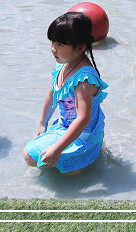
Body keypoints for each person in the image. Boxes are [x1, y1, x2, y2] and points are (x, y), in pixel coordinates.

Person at [24, 12, 107, 175]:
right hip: (65, 126)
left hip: (84, 135)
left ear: (81, 48)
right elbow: (52, 95)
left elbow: (83, 118)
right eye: (52, 42)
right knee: (39, 156)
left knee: (30, 156)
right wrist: (43, 123)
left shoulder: (84, 79)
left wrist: (57, 148)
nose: (53, 48)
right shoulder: (63, 65)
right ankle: (80, 158)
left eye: (60, 44)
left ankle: (85, 156)